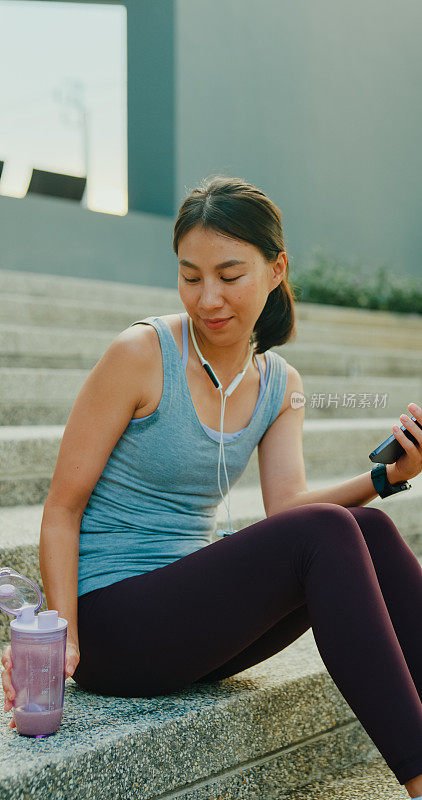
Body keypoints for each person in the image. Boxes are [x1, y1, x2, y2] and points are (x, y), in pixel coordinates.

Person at [2, 175, 422, 796]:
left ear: (275, 270)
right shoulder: (142, 353)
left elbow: (289, 507)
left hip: (190, 624)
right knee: (330, 533)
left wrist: (386, 477)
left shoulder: (280, 383)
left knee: (368, 527)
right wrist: (61, 643)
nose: (208, 298)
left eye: (230, 276)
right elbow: (62, 508)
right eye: (190, 275)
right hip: (115, 622)